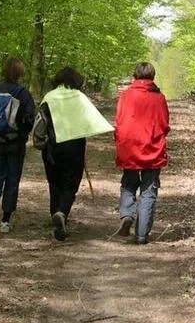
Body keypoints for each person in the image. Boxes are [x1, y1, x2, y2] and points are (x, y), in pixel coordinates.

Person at [32, 67, 113, 241]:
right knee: (70, 183)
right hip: (74, 146)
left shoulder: (49, 97)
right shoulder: (80, 97)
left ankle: (55, 214)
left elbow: (40, 123)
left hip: (52, 147)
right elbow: (91, 120)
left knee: (54, 182)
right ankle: (62, 212)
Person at [114, 62, 170, 245]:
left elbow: (119, 121)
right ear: (153, 76)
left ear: (135, 75)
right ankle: (141, 234)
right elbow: (164, 124)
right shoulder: (159, 98)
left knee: (128, 183)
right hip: (152, 148)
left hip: (129, 147)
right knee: (149, 190)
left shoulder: (125, 96)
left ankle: (127, 215)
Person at [0, 56, 35, 237]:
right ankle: (5, 221)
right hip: (16, 144)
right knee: (12, 179)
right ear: (20, 73)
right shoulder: (23, 93)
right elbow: (29, 119)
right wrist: (22, 135)